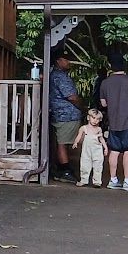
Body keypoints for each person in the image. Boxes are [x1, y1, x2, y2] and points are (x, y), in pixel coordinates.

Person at [96, 52, 128, 191]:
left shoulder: (105, 83)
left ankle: (113, 180)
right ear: (125, 67)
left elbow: (103, 104)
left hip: (114, 122)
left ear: (111, 66)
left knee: (114, 151)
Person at [48, 49, 82, 182]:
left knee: (64, 141)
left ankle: (64, 167)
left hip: (62, 113)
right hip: (66, 114)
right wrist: (82, 106)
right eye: (66, 59)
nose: (69, 62)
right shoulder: (60, 76)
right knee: (63, 142)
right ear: (58, 61)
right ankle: (65, 170)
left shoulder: (56, 75)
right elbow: (72, 97)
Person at [73, 108, 107, 186]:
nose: (95, 121)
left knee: (98, 165)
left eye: (98, 119)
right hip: (86, 149)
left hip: (97, 150)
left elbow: (101, 138)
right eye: (93, 118)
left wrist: (105, 147)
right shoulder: (84, 128)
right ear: (88, 118)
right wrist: (76, 142)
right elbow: (79, 136)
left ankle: (97, 181)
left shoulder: (99, 129)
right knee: (85, 164)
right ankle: (84, 180)